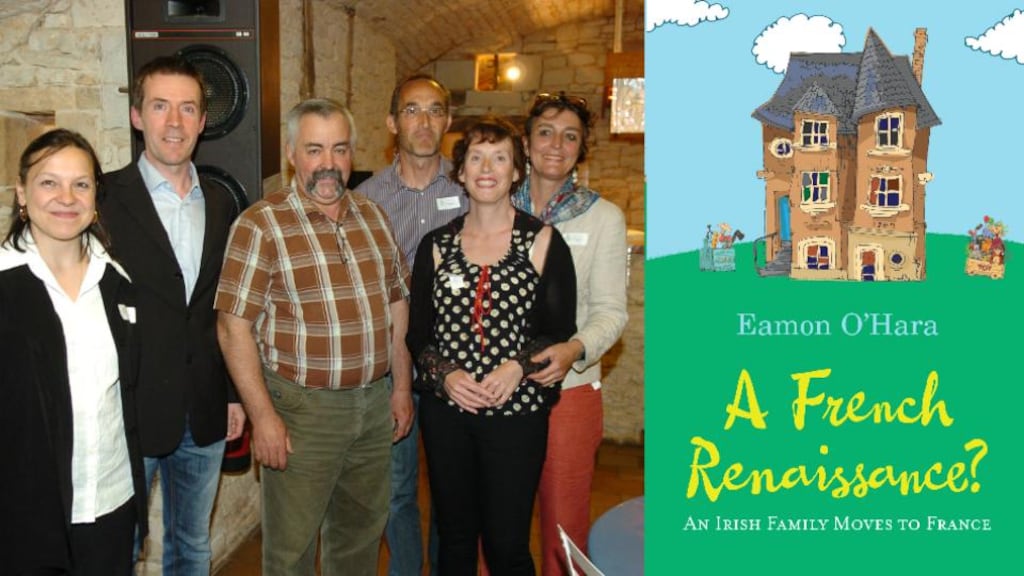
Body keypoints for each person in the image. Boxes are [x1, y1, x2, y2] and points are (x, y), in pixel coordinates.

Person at [215, 98, 412, 576]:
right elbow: (231, 326)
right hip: (302, 412)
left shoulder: (374, 217)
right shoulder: (261, 224)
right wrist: (263, 418)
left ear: (353, 153)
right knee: (291, 550)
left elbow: (396, 308)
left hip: (372, 406)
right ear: (291, 154)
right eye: (314, 149)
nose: (328, 163)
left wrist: (401, 387)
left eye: (339, 149)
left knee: (360, 536)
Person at [406, 116, 577, 576]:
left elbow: (559, 331)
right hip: (448, 415)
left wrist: (517, 367)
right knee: (455, 539)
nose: (487, 168)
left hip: (517, 415)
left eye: (499, 157)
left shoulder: (542, 241)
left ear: (516, 171)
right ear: (460, 172)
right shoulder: (436, 246)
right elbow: (417, 333)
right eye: (476, 157)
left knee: (507, 545)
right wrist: (447, 375)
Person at [101, 55, 245, 575]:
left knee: (192, 548)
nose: (175, 122)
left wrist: (233, 394)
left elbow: (222, 311)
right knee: (121, 549)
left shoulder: (222, 203)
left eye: (188, 109)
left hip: (203, 410)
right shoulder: (102, 200)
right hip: (127, 414)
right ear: (138, 115)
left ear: (204, 122)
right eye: (161, 107)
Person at [0, 128, 147, 575]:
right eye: (49, 182)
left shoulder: (117, 282)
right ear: (22, 193)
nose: (66, 197)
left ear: (95, 196)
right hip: (25, 517)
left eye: (80, 184)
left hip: (110, 504)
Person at [511, 92, 629, 576]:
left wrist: (574, 349)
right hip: (497, 389)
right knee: (497, 521)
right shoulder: (494, 205)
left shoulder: (603, 218)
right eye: (545, 132)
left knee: (564, 524)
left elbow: (611, 312)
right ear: (526, 141)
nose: (556, 145)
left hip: (570, 391)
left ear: (583, 150)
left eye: (571, 136)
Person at [355, 73, 466, 576]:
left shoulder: (471, 190)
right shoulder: (367, 199)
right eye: (412, 110)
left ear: (448, 119)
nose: (425, 122)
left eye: (435, 110)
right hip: (389, 368)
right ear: (392, 121)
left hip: (457, 369)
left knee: (450, 488)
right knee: (397, 488)